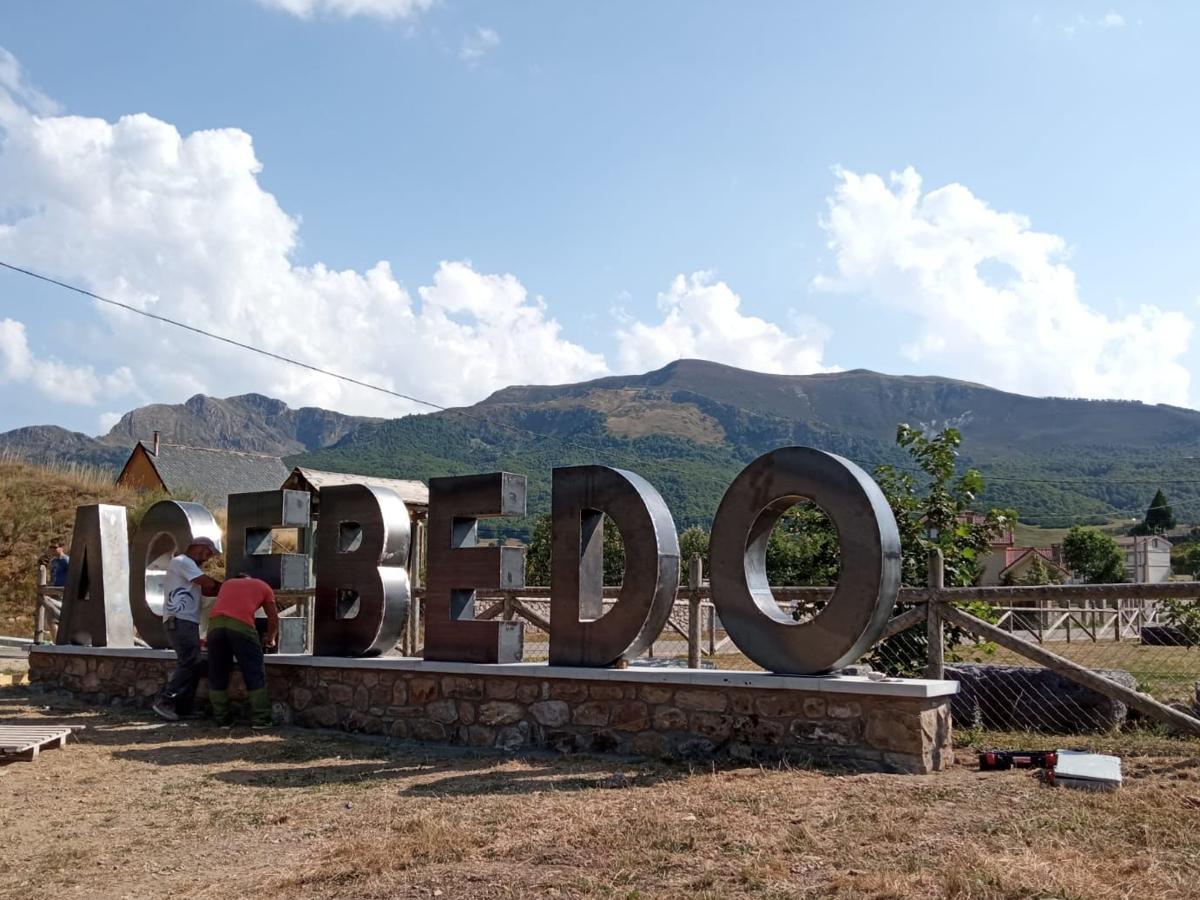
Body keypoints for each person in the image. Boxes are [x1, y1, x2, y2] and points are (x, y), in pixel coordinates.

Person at [152, 536, 222, 721]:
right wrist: (229, 588)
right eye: (208, 553)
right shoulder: (183, 562)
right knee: (189, 661)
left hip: (187, 621)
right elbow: (208, 584)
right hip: (180, 620)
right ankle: (166, 700)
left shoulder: (189, 568)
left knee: (194, 662)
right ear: (199, 547)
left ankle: (183, 707)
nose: (207, 558)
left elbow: (207, 590)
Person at [206, 573, 279, 729]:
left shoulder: (227, 584)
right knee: (253, 671)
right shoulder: (263, 585)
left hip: (215, 626)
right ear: (250, 578)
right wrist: (271, 638)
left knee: (217, 672)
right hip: (241, 625)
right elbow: (273, 617)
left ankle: (223, 720)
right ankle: (261, 719)